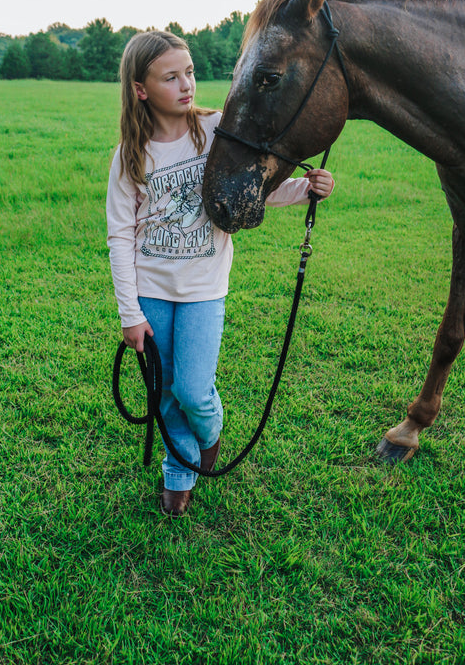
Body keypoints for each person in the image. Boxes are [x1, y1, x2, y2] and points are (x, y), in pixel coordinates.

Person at [106, 30, 334, 517]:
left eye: (189, 72)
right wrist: (130, 313)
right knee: (165, 393)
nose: (187, 84)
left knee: (192, 389)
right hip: (151, 291)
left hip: (205, 290)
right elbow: (120, 236)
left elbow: (252, 189)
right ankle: (180, 471)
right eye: (171, 77)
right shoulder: (130, 154)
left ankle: (210, 431)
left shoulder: (214, 131)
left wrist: (304, 189)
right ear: (141, 89)